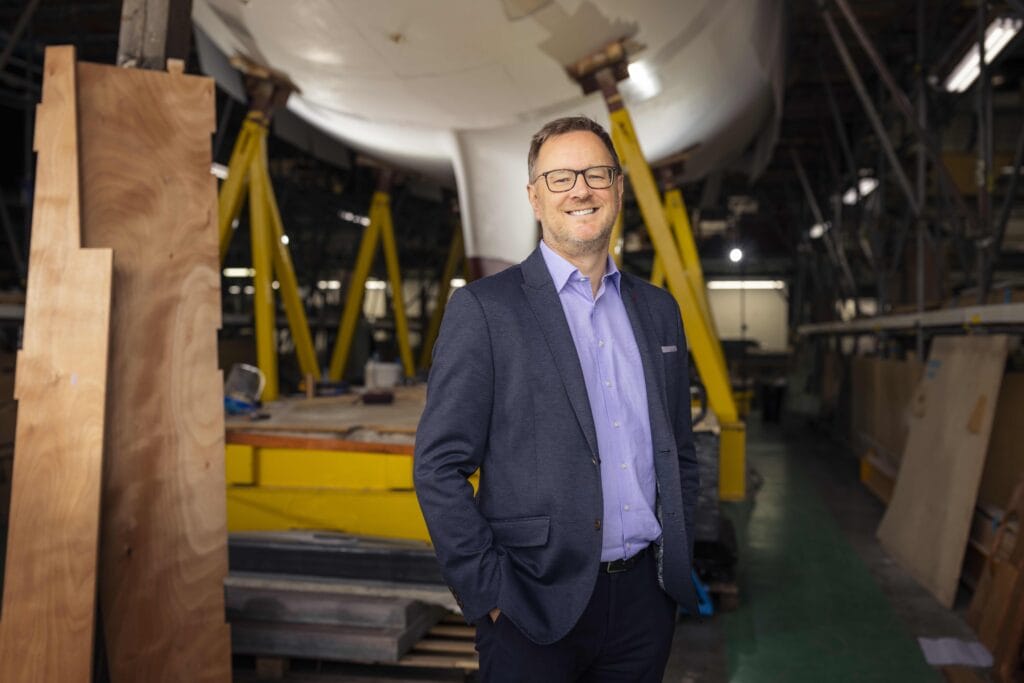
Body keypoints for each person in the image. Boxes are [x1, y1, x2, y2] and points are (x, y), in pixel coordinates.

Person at [414, 116, 699, 682]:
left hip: (645, 603)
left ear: (618, 189)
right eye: (560, 177)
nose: (581, 190)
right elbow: (438, 467)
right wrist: (489, 592)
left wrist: (673, 570)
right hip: (531, 604)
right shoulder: (486, 310)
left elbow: (680, 453)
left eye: (596, 174)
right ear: (534, 197)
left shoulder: (658, 310)